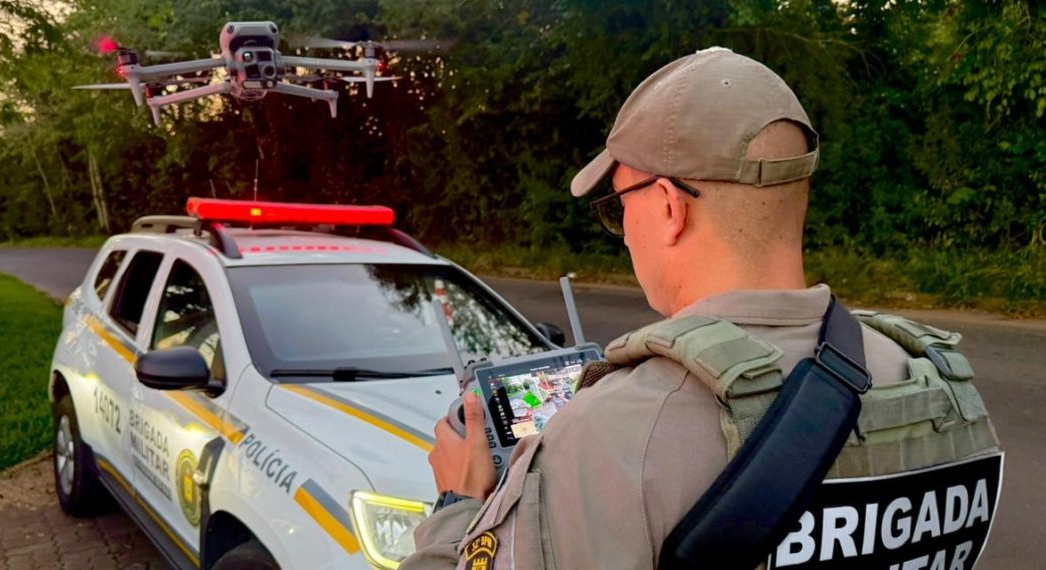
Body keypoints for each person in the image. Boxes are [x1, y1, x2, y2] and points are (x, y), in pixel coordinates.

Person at [400, 47, 999, 570]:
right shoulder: (940, 385)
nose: (626, 232)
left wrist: (459, 508)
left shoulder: (609, 438)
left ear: (668, 207)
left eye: (620, 206)